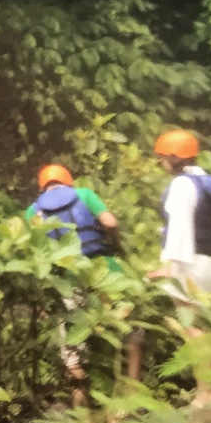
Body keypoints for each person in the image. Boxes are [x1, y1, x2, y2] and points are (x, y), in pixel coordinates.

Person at [27, 162, 139, 388]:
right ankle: (133, 386)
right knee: (128, 326)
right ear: (69, 182)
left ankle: (81, 403)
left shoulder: (32, 211)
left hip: (67, 279)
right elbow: (110, 222)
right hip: (102, 267)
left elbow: (34, 252)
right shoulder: (84, 194)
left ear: (42, 188)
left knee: (73, 340)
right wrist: (115, 244)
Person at [147, 129, 211, 331]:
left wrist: (171, 267)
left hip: (187, 265)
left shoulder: (182, 185)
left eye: (163, 157)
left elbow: (179, 225)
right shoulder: (206, 181)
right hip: (207, 262)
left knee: (189, 327)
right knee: (199, 324)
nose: (161, 162)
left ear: (174, 158)